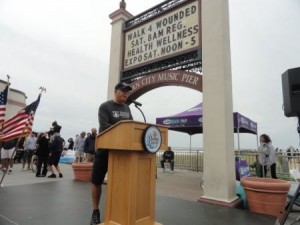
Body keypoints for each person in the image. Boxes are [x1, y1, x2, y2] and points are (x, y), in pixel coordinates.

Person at [90, 82, 133, 225]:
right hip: (104, 150)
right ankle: (95, 211)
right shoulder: (105, 106)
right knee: (97, 181)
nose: (126, 94)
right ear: (115, 91)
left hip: (121, 152)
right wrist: (122, 129)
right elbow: (104, 126)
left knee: (120, 182)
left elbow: (131, 127)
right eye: (123, 91)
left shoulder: (127, 108)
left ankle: (118, 211)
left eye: (127, 92)